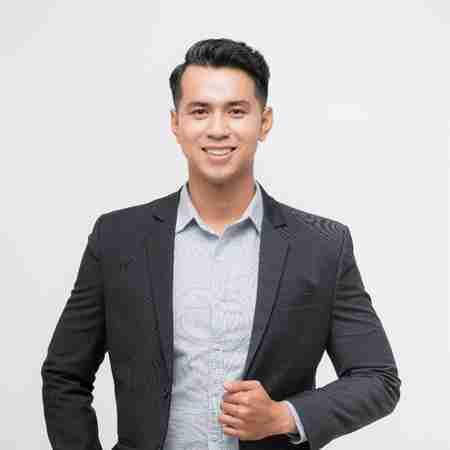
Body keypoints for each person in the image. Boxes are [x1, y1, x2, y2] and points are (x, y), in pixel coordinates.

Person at [41, 38, 401, 450]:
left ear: (264, 122)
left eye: (236, 111)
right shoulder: (117, 238)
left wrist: (284, 416)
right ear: (176, 123)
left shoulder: (322, 246)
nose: (217, 129)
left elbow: (377, 378)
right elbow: (64, 376)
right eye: (200, 111)